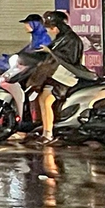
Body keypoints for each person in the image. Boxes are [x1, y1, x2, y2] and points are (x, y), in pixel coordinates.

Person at [35, 10, 96, 141]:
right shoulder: (62, 37)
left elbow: (69, 60)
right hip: (56, 75)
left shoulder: (71, 39)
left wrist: (50, 52)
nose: (51, 31)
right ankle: (45, 130)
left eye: (51, 28)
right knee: (41, 98)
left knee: (47, 102)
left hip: (67, 76)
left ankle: (48, 134)